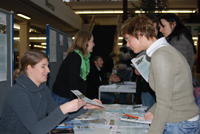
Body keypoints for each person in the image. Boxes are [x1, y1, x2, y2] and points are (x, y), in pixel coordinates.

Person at [121, 15, 200, 134]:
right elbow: (170, 94)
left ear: (139, 33)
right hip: (183, 120)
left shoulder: (161, 56)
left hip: (178, 122)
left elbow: (164, 103)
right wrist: (153, 110)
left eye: (127, 39)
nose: (127, 44)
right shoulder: (163, 51)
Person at [0, 50, 102, 134]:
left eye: (47, 66)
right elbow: (37, 129)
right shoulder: (18, 93)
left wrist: (84, 107)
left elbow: (60, 117)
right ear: (29, 68)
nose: (48, 70)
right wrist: (63, 108)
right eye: (43, 66)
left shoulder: (43, 89)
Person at [52, 31, 95, 105]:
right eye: (92, 41)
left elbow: (81, 83)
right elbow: (73, 84)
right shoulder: (75, 57)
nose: (94, 44)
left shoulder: (84, 59)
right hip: (63, 97)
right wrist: (77, 103)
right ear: (85, 42)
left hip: (69, 96)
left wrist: (83, 99)